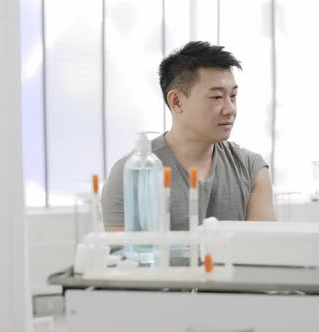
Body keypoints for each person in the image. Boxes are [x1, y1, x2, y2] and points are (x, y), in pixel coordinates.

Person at [102, 41, 276, 232]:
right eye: (217, 97)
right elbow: (121, 259)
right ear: (176, 102)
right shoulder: (133, 174)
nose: (230, 109)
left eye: (233, 96)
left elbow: (263, 255)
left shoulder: (252, 170)